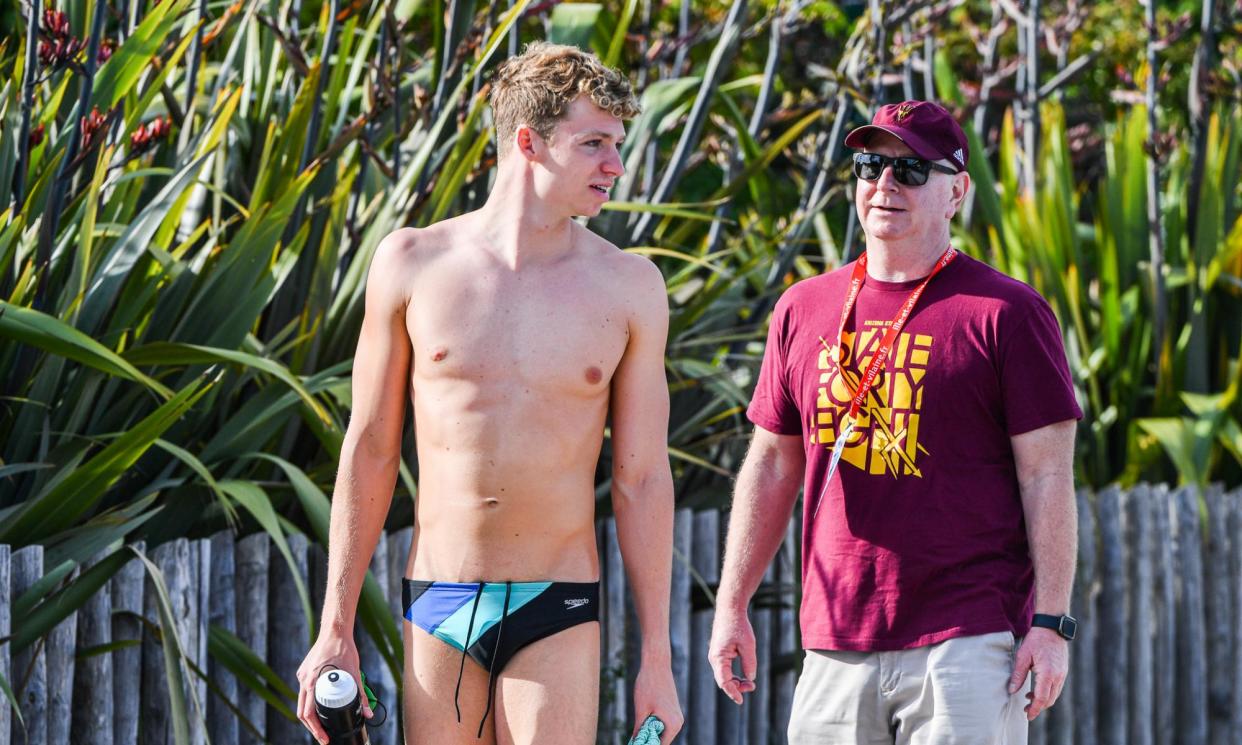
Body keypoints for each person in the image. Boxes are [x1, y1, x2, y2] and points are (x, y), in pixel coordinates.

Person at [296, 42, 683, 745]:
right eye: (594, 143)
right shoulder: (413, 263)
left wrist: (656, 655)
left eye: (618, 144)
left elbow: (643, 477)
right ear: (528, 142)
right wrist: (335, 626)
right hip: (441, 599)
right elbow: (372, 448)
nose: (615, 166)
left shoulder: (630, 289)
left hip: (558, 604)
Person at [708, 100, 1082, 744]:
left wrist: (1051, 625)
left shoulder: (1007, 313)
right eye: (870, 164)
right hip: (834, 639)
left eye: (911, 171)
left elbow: (1047, 476)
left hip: (966, 639)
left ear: (957, 191)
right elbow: (771, 463)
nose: (885, 185)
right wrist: (731, 604)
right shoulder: (803, 307)